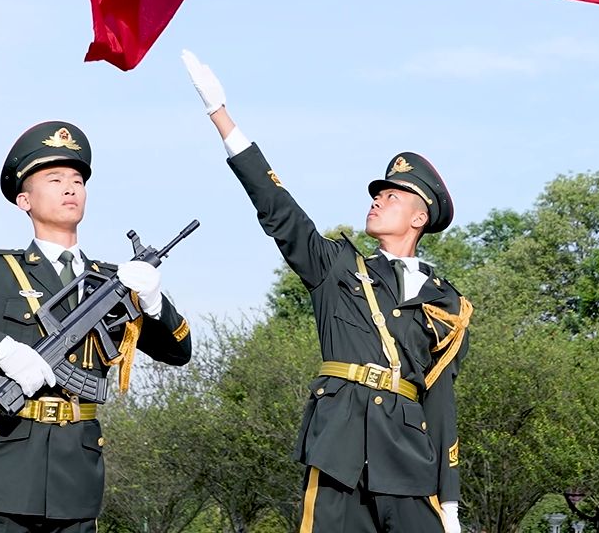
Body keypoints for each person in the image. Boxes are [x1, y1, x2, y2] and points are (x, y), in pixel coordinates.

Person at [181, 50, 470, 533]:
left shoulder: (447, 304)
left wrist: (451, 500)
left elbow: (439, 402)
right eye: (376, 195)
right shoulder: (338, 267)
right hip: (338, 448)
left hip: (408, 459)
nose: (377, 200)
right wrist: (222, 117)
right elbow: (281, 212)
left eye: (392, 196)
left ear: (420, 218)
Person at [0, 121, 193, 533]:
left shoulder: (113, 280)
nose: (70, 188)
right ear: (24, 200)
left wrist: (156, 303)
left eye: (76, 180)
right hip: (4, 477)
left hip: (78, 480)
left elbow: (179, 351)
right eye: (54, 180)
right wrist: (1, 350)